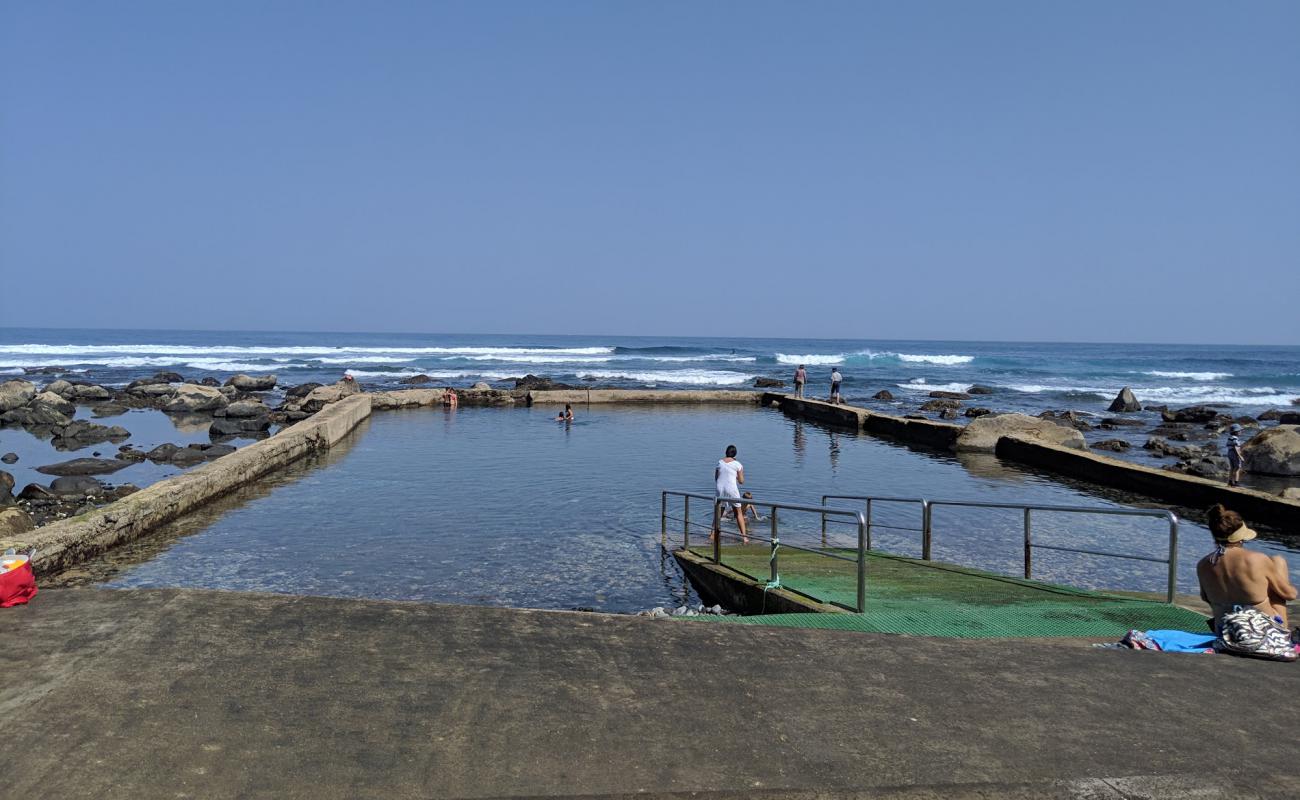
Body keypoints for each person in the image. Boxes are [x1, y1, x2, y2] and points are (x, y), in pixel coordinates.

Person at [1196, 504, 1296, 654]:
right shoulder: (1257, 559)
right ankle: (1283, 633)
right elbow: (1290, 595)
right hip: (1264, 634)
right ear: (1241, 536)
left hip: (1226, 632)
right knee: (1278, 561)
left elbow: (1205, 597)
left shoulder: (1203, 564)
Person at [713, 444, 747, 542]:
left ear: (726, 453)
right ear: (735, 454)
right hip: (731, 489)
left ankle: (712, 535)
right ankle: (744, 537)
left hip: (720, 489)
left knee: (718, 513)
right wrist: (736, 476)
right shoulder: (738, 464)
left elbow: (716, 478)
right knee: (738, 513)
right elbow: (741, 481)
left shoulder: (719, 462)